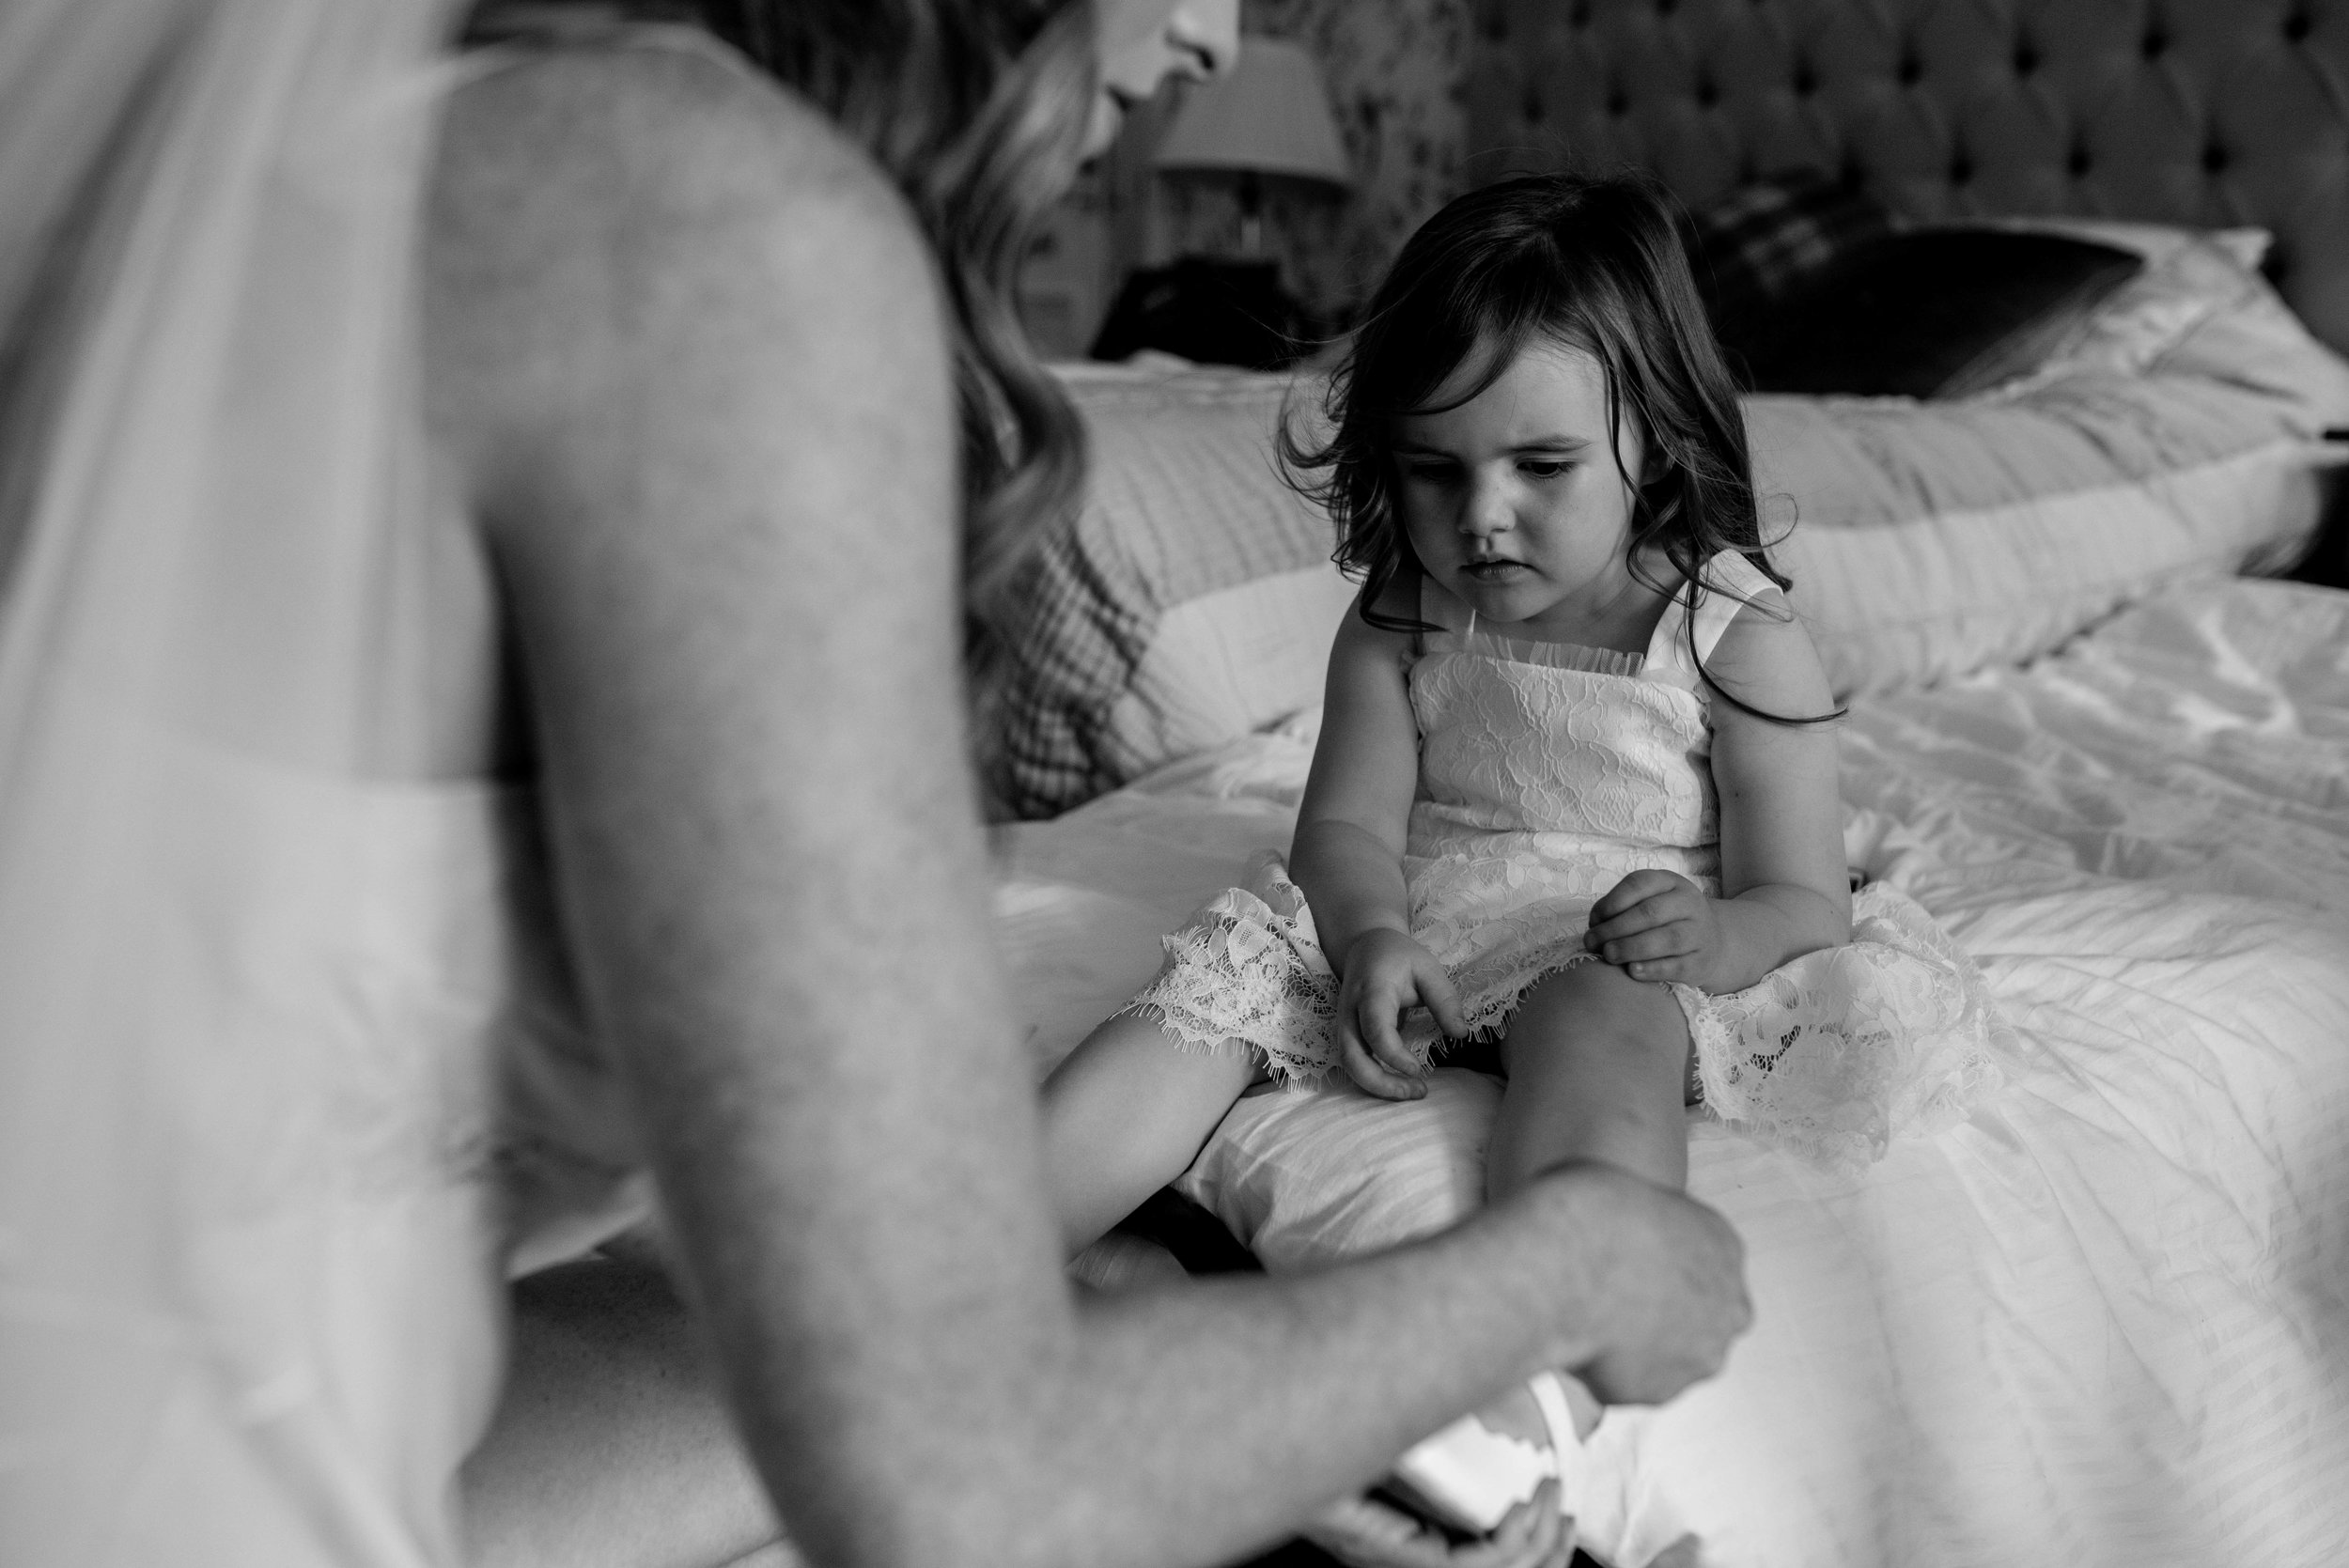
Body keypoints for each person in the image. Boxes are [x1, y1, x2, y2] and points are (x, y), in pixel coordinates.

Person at [0, 7, 1753, 1568]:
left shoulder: (269, 162)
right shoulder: (695, 224)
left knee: (1118, 1287)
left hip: (155, 1438)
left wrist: (1190, 1379)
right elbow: (962, 1479)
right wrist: (1577, 1261)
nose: (1219, 37)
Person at [1041, 171, 2011, 1532]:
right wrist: (1369, 930)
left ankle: (1533, 1366)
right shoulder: (1405, 611)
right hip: (1431, 907)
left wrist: (1713, 935)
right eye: (1433, 471)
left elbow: (1802, 894)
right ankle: (971, 1268)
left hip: (1619, 921)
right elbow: (1346, 827)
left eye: (1539, 468)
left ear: (1655, 439)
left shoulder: (1731, 630)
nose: (1479, 517)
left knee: (1597, 1011)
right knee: (1215, 984)